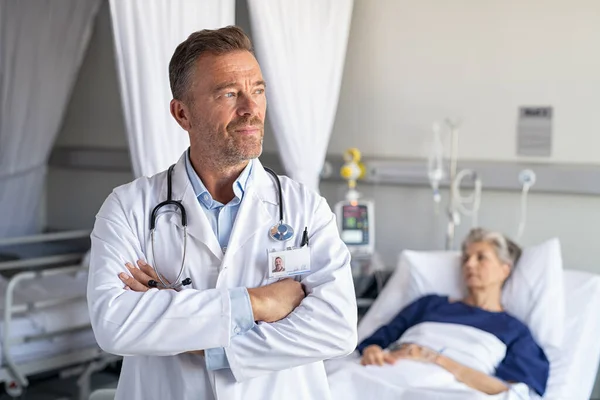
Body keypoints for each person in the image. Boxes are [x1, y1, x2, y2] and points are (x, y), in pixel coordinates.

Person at [87, 26, 357, 400]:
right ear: (183, 114)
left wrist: (195, 336)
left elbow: (337, 329)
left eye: (258, 90)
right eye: (229, 93)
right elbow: (114, 324)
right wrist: (259, 302)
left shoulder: (305, 208)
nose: (251, 109)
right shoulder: (128, 207)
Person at [353, 228, 549, 397]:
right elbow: (375, 342)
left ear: (504, 270)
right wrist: (373, 351)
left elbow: (510, 392)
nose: (469, 264)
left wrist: (435, 358)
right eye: (466, 258)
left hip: (449, 390)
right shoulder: (429, 304)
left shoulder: (515, 331)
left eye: (481, 258)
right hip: (388, 374)